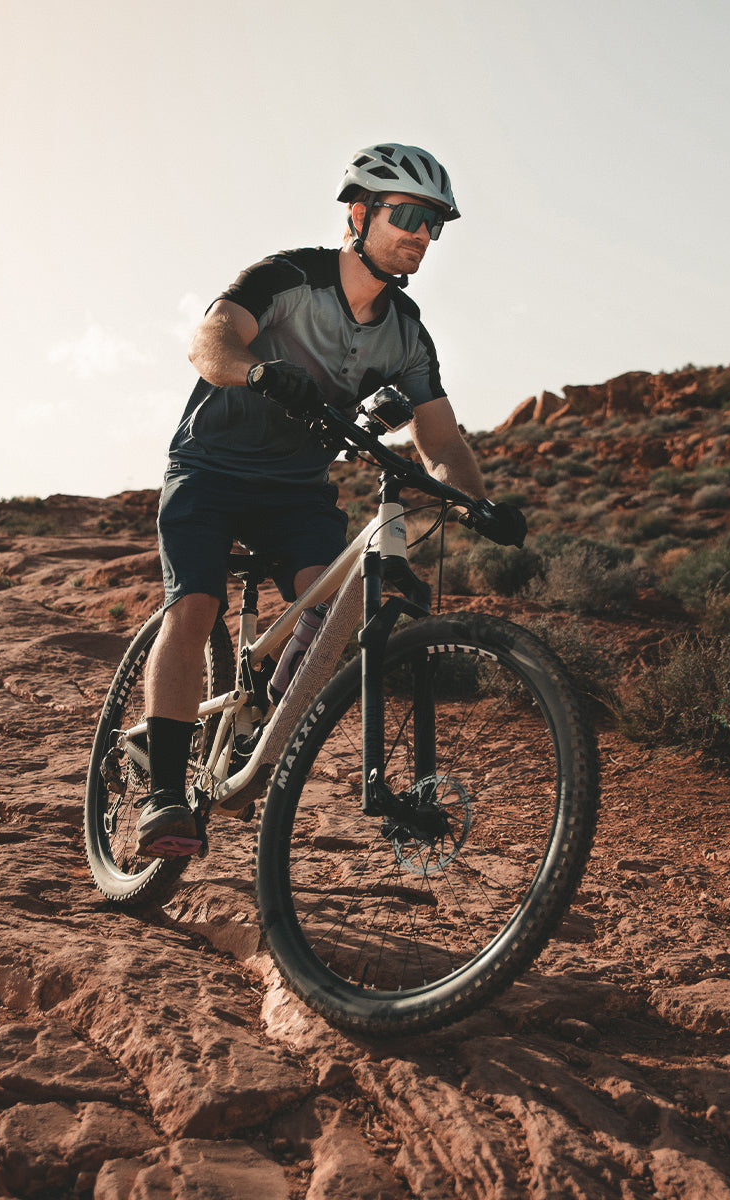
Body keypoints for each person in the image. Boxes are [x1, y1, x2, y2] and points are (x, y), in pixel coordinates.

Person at [136, 142, 526, 857]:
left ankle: (257, 726)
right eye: (406, 214)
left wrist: (477, 502)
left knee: (330, 608)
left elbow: (437, 437)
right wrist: (258, 374)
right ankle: (163, 795)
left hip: (296, 493)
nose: (420, 234)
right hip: (212, 470)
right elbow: (212, 340)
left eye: (432, 224)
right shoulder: (288, 277)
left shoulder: (407, 335)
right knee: (194, 606)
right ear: (359, 212)